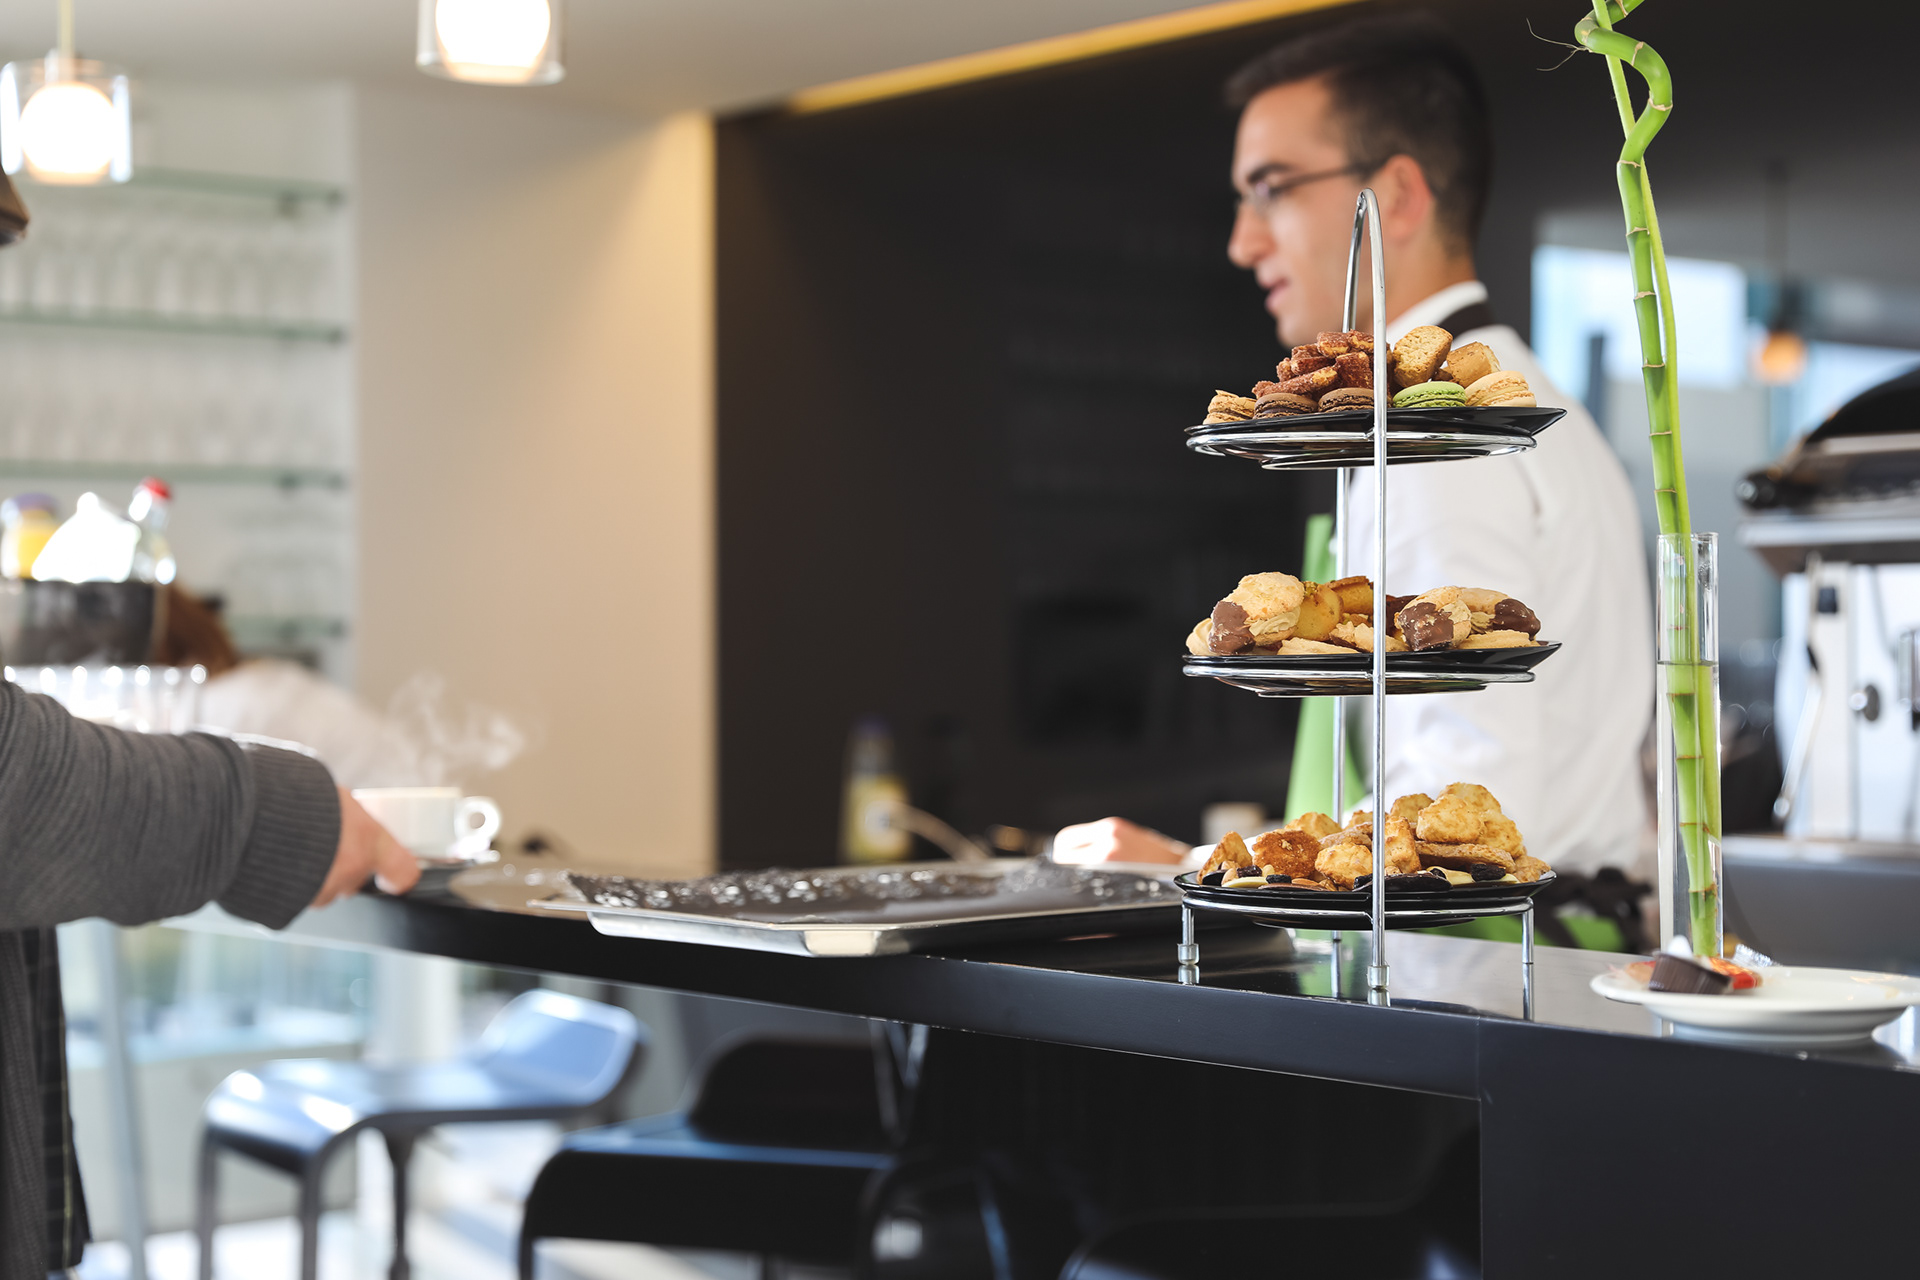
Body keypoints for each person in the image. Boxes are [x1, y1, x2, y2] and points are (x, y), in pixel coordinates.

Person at [1059, 13, 1652, 877]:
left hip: (1467, 953)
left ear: (1397, 196)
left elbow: (1461, 803)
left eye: (1271, 187)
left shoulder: (1437, 447)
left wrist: (1198, 863)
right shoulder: (1537, 405)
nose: (1241, 241)